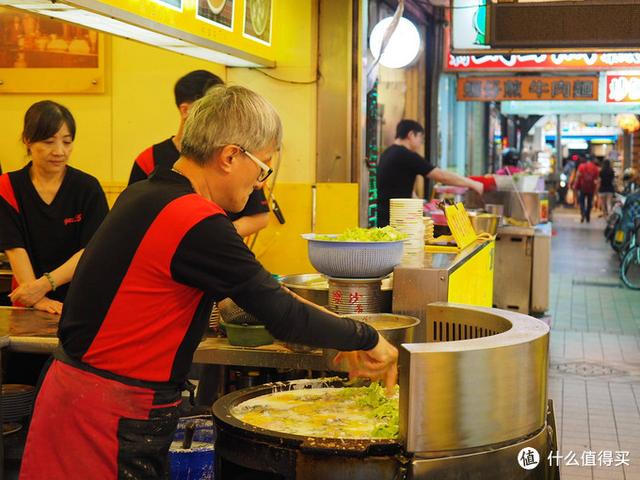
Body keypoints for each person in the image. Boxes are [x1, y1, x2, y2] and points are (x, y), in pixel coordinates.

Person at [19, 85, 398, 479]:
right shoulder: (195, 221)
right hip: (107, 416)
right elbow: (281, 313)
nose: (260, 183)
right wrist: (366, 338)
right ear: (231, 156)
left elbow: (258, 298)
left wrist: (342, 334)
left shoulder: (147, 194)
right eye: (263, 167)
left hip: (79, 398)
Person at [129, 69, 270, 237]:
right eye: (210, 106)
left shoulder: (240, 162)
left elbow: (259, 215)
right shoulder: (149, 159)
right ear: (185, 110)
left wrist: (220, 235)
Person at [0, 100, 108, 314]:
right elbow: (15, 248)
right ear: (27, 140)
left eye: (67, 142)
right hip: (28, 301)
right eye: (49, 142)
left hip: (80, 299)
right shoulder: (7, 187)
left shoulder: (87, 188)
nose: (59, 151)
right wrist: (37, 299)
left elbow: (91, 250)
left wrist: (43, 286)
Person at [376, 119, 483, 227]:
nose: (421, 144)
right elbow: (442, 176)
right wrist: (473, 183)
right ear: (411, 135)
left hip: (383, 217)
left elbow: (399, 184)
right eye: (420, 138)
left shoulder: (388, 153)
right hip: (393, 221)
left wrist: (421, 205)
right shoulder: (406, 155)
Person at [572, 154, 600, 223]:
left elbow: (578, 176)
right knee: (589, 202)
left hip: (582, 187)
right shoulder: (595, 167)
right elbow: (597, 179)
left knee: (582, 202)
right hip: (591, 187)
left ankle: (583, 213)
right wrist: (596, 189)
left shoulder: (581, 166)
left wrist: (575, 185)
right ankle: (588, 215)